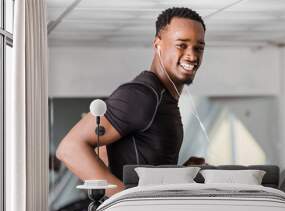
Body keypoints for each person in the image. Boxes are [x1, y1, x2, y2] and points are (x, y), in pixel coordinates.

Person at [56, 7, 206, 197]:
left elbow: (125, 162)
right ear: (158, 44)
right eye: (181, 45)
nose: (192, 56)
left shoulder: (164, 98)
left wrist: (183, 172)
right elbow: (70, 148)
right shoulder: (142, 95)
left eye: (198, 47)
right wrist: (128, 202)